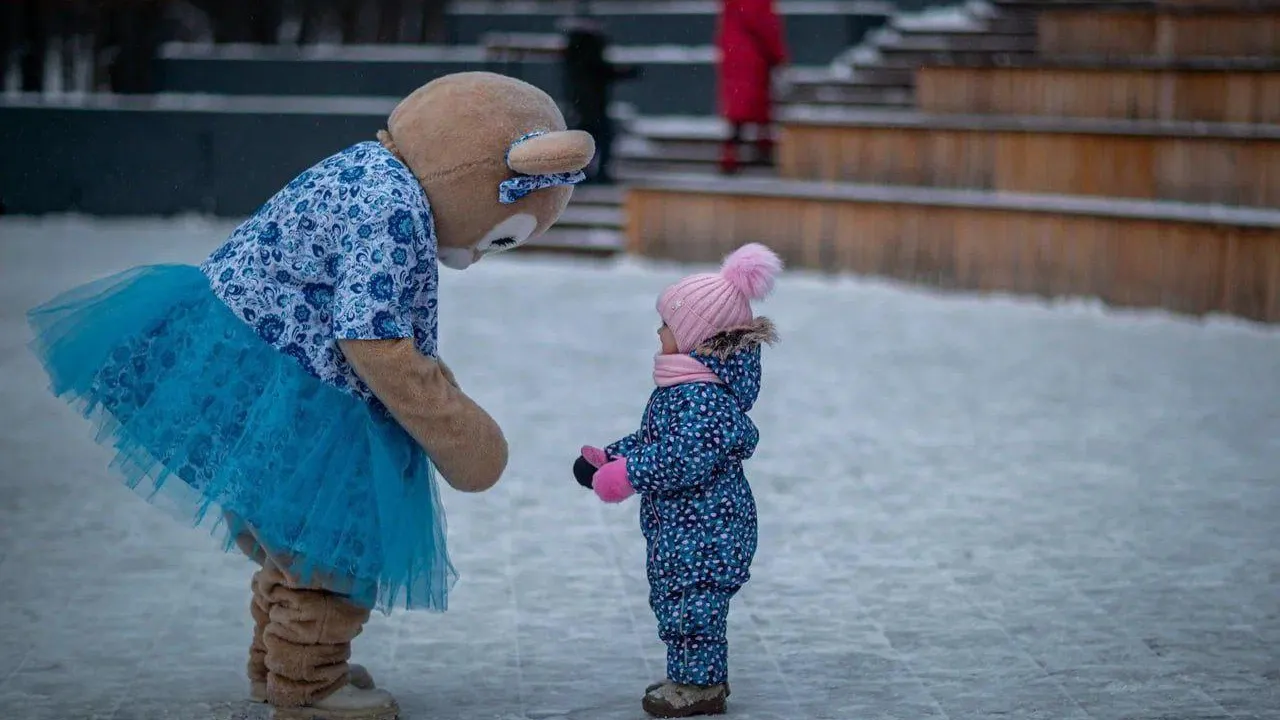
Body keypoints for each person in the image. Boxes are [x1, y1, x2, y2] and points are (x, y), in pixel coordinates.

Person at [26, 72, 594, 720]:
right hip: (302, 393)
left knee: (292, 540)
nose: (482, 256)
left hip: (251, 371)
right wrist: (458, 430)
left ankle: (279, 665)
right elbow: (373, 338)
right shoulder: (396, 209)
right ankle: (309, 687)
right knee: (338, 547)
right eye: (500, 237)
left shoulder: (371, 168)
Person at [573, 244, 783, 718]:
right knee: (679, 603)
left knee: (694, 607)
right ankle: (695, 675)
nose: (659, 331)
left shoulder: (702, 398)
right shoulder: (685, 388)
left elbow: (680, 458)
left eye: (668, 323)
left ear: (695, 336)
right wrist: (610, 455)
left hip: (707, 530)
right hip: (684, 528)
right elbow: (656, 439)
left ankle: (699, 687)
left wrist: (624, 476)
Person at [561, 9, 641, 184]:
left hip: (584, 102)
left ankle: (587, 173)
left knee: (591, 139)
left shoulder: (578, 47)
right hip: (590, 103)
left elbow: (596, 72)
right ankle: (594, 174)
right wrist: (625, 73)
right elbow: (598, 71)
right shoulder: (587, 46)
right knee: (599, 138)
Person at [715, 0, 787, 175]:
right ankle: (763, 147)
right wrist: (778, 55)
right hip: (753, 57)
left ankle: (731, 154)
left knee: (737, 109)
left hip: (733, 53)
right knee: (758, 103)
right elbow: (766, 27)